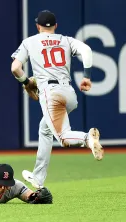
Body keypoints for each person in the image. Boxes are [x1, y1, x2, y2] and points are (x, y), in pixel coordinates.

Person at [10, 10, 104, 189]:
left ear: (38, 26)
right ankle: (38, 178)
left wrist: (26, 82)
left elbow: (15, 67)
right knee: (44, 129)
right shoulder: (65, 39)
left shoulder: (29, 42)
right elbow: (87, 50)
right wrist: (87, 76)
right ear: (56, 26)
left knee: (63, 137)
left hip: (50, 93)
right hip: (68, 92)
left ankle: (87, 139)